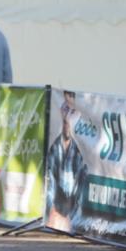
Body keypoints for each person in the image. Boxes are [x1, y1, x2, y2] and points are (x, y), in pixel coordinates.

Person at [45, 91, 87, 229]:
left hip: (70, 223)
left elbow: (81, 199)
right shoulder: (54, 149)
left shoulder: (82, 154)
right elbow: (49, 191)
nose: (67, 116)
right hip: (54, 220)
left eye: (72, 111)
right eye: (65, 109)